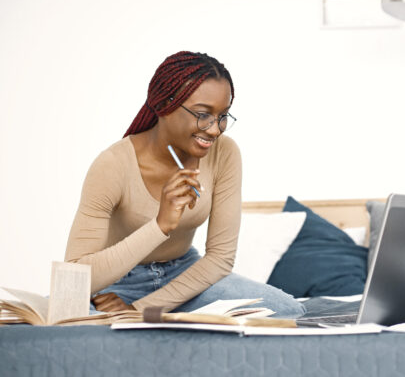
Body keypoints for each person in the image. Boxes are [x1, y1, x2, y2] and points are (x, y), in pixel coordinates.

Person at [65, 51, 305, 318]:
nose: (214, 129)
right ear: (164, 105)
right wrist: (160, 225)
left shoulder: (224, 153)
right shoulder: (112, 165)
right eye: (203, 115)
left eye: (223, 116)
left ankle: (159, 317)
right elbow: (74, 277)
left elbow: (220, 259)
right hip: (116, 283)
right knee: (61, 317)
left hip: (187, 278)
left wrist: (140, 310)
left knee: (286, 310)